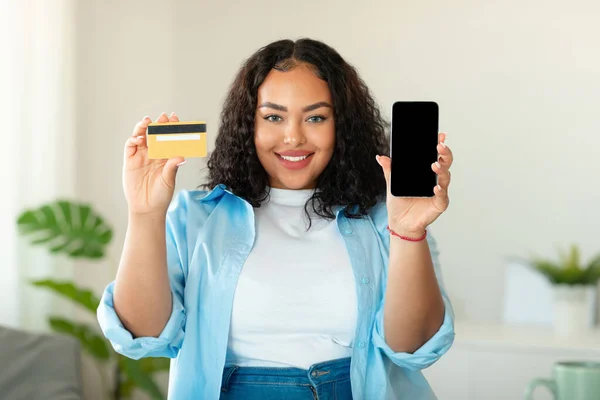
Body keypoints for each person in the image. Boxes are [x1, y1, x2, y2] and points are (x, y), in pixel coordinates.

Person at [97, 38, 455, 400]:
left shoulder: (386, 219)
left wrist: (409, 232)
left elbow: (414, 349)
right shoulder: (196, 217)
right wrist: (144, 214)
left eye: (316, 117)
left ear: (343, 126)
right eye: (273, 117)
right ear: (247, 125)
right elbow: (142, 337)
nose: (293, 137)